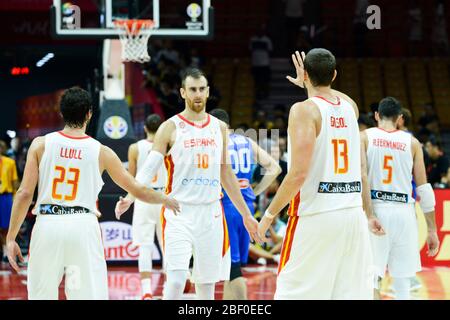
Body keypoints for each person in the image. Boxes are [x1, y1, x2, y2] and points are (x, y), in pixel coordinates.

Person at [6, 87, 180, 300]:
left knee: (42, 296)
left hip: (48, 224)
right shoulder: (101, 151)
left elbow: (24, 193)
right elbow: (136, 188)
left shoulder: (41, 144)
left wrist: (11, 237)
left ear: (61, 113)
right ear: (89, 114)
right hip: (83, 226)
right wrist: (164, 198)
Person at [115, 68, 262, 300]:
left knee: (206, 286)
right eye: (192, 89)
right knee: (175, 281)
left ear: (208, 92)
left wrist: (246, 214)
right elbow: (150, 167)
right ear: (183, 92)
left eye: (202, 89)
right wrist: (130, 195)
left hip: (211, 213)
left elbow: (226, 173)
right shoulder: (170, 127)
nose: (197, 94)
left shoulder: (220, 128)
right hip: (178, 211)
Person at [257, 49, 385, 299]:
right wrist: (310, 81)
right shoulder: (351, 108)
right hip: (352, 217)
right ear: (335, 75)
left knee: (292, 293)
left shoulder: (303, 110)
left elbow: (298, 174)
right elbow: (334, 94)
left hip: (316, 215)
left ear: (304, 74)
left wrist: (269, 215)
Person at [361, 97, 440, 300]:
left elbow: (361, 179)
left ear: (376, 115)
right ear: (400, 118)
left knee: (371, 277)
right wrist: (432, 229)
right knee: (403, 282)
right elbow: (424, 188)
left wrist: (368, 214)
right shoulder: (413, 143)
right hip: (404, 212)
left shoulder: (365, 137)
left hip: (376, 208)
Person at [210, 108, 281, 300]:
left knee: (232, 270)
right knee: (232, 269)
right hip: (247, 207)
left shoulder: (216, 144)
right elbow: (275, 168)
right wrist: (255, 192)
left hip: (226, 206)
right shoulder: (246, 141)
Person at [127, 114, 167, 300]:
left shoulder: (135, 148)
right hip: (163, 198)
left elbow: (131, 180)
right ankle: (170, 288)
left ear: (144, 128)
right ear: (161, 129)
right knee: (167, 245)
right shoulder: (169, 146)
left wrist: (128, 199)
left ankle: (146, 292)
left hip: (143, 197)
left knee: (145, 246)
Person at [0, 140, 19, 263]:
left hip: (6, 197)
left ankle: (7, 251)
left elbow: (15, 183)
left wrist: (17, 199)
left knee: (6, 226)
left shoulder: (10, 162)